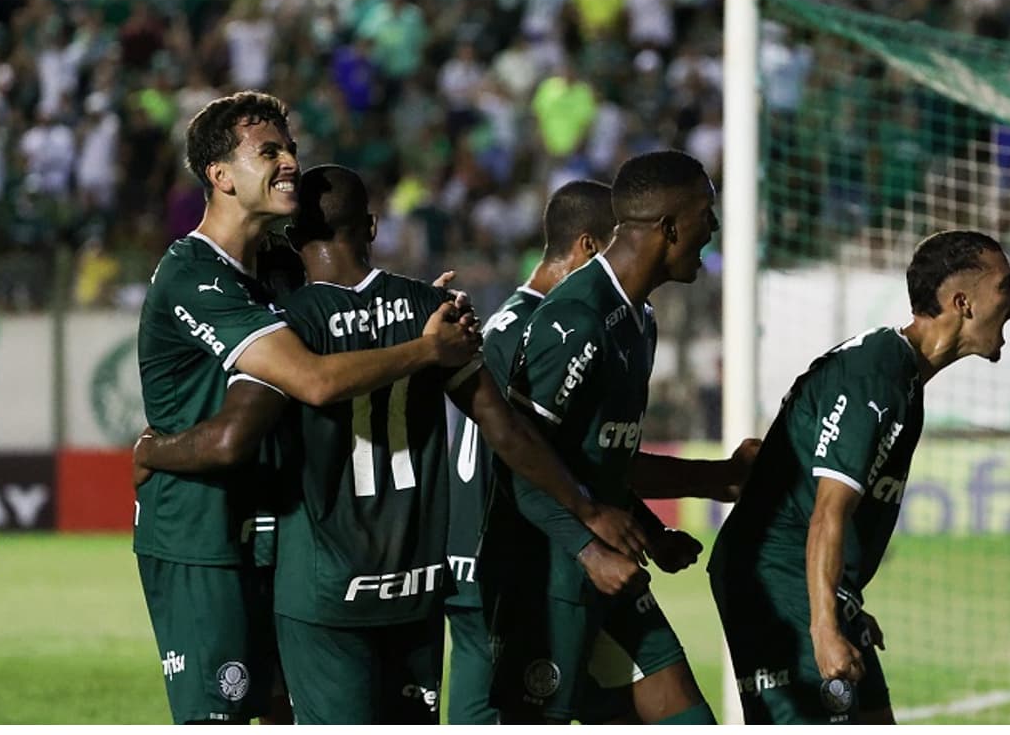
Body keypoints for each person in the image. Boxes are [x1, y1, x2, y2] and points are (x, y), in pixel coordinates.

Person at [135, 164, 649, 724]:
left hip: (324, 591)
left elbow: (235, 437)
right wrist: (586, 509)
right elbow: (507, 431)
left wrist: (151, 450)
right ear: (373, 227)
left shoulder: (288, 327)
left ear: (292, 236)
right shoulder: (434, 316)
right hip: (416, 585)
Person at [134, 91, 479, 725]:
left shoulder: (279, 268)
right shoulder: (194, 275)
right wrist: (424, 348)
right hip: (201, 537)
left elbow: (347, 326)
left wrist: (407, 317)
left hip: (277, 536)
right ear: (220, 176)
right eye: (268, 152)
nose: (290, 161)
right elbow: (314, 381)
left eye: (289, 148)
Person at [445, 178, 751, 724]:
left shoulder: (637, 320)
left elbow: (596, 459)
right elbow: (517, 460)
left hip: (592, 550)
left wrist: (651, 529)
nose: (716, 229)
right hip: (528, 564)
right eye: (706, 213)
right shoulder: (558, 324)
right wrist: (588, 543)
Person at [707, 229, 1010, 724]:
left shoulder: (902, 378)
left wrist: (839, 600)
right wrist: (823, 626)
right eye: (1006, 286)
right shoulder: (875, 376)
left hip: (813, 585)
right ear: (963, 302)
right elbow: (827, 512)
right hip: (775, 579)